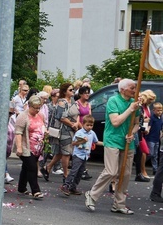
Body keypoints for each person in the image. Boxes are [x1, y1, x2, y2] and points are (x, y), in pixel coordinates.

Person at [84, 78, 140, 215]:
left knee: (125, 174)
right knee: (111, 171)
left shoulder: (134, 103)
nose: (135, 90)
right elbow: (115, 122)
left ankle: (119, 204)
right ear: (123, 89)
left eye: (135, 88)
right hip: (113, 140)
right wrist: (130, 109)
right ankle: (92, 195)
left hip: (127, 143)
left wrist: (132, 134)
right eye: (132, 88)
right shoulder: (113, 101)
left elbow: (137, 124)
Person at [43, 83, 79, 181]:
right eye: (70, 90)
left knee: (60, 153)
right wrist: (72, 125)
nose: (73, 91)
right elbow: (61, 118)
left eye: (73, 90)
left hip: (72, 130)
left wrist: (77, 124)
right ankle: (66, 175)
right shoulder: (61, 102)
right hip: (64, 130)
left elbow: (78, 114)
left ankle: (48, 167)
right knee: (66, 153)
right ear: (64, 92)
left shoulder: (73, 101)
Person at [13, 95, 46, 198]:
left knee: (26, 167)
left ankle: (22, 188)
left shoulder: (40, 115)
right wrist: (19, 147)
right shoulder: (23, 116)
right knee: (32, 167)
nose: (37, 110)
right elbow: (18, 133)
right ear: (29, 106)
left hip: (37, 147)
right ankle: (36, 191)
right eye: (35, 108)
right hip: (26, 146)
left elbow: (42, 126)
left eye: (38, 108)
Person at [59, 115, 98, 197]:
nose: (89, 127)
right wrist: (82, 141)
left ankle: (73, 187)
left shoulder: (92, 133)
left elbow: (96, 142)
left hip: (85, 155)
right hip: (78, 155)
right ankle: (66, 185)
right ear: (83, 124)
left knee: (80, 173)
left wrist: (107, 144)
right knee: (74, 171)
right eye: (87, 125)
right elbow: (73, 143)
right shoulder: (79, 133)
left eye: (91, 125)